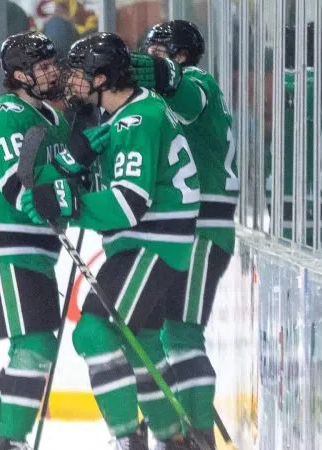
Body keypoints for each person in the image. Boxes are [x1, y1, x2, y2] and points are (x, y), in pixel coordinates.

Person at [22, 32, 201, 450]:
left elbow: (129, 202)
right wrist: (76, 168)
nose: (72, 82)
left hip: (152, 241)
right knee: (142, 346)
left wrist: (70, 204)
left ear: (103, 78)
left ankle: (127, 438)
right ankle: (174, 437)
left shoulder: (139, 118)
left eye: (80, 74)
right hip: (144, 241)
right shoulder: (120, 116)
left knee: (93, 334)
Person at [132, 20, 239, 449]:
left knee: (181, 334)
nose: (149, 59)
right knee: (161, 332)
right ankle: (178, 423)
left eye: (158, 52)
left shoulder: (197, 81)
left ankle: (196, 433)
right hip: (183, 227)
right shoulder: (158, 100)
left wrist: (159, 73)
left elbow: (187, 96)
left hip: (202, 227)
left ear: (179, 56)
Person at [0, 31, 74, 450]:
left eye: (52, 64)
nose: (52, 72)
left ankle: (0, 435)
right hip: (5, 244)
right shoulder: (6, 114)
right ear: (19, 75)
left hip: (35, 247)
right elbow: (19, 189)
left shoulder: (53, 119)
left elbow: (64, 181)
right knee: (34, 345)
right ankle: (10, 438)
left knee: (35, 346)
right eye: (42, 66)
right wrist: (68, 182)